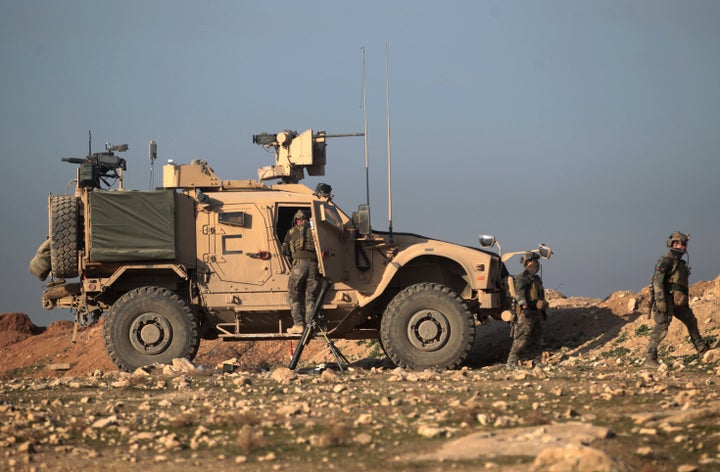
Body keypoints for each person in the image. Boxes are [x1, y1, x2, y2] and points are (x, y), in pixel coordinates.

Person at [645, 232, 708, 368]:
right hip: (666, 298)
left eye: (684, 244)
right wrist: (660, 300)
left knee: (691, 321)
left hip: (679, 300)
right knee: (661, 327)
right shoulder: (666, 260)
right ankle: (650, 358)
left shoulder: (680, 263)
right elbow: (657, 281)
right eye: (678, 244)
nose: (682, 247)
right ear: (671, 244)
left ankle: (703, 349)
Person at [507, 252, 549, 369]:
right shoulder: (522, 277)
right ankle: (511, 362)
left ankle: (537, 361)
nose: (535, 263)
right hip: (527, 312)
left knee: (538, 338)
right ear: (527, 263)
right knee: (521, 338)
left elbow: (540, 294)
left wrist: (543, 310)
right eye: (532, 261)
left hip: (536, 312)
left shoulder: (536, 279)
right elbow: (519, 294)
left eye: (536, 261)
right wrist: (524, 307)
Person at [281, 209, 320, 334]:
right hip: (314, 265)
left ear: (297, 220)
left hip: (299, 265)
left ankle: (298, 324)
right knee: (311, 297)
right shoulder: (316, 232)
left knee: (293, 295)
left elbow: (285, 250)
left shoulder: (291, 232)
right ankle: (310, 326)